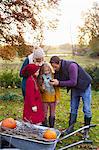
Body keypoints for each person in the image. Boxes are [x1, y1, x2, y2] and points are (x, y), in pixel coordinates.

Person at [49, 56, 92, 136]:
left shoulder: (71, 66)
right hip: (75, 88)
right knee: (73, 108)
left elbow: (73, 82)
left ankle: (86, 130)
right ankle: (70, 128)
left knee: (87, 109)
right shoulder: (58, 70)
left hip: (84, 86)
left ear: (59, 63)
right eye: (53, 67)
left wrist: (59, 83)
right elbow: (60, 81)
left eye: (55, 67)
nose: (54, 69)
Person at [38, 62, 60, 128]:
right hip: (44, 99)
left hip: (53, 98)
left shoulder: (53, 77)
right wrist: (43, 88)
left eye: (48, 70)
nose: (46, 72)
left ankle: (52, 126)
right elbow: (40, 90)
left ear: (50, 70)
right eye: (45, 71)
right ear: (42, 71)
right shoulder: (41, 78)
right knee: (44, 112)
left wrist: (58, 98)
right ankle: (45, 126)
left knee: (52, 113)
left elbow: (57, 89)